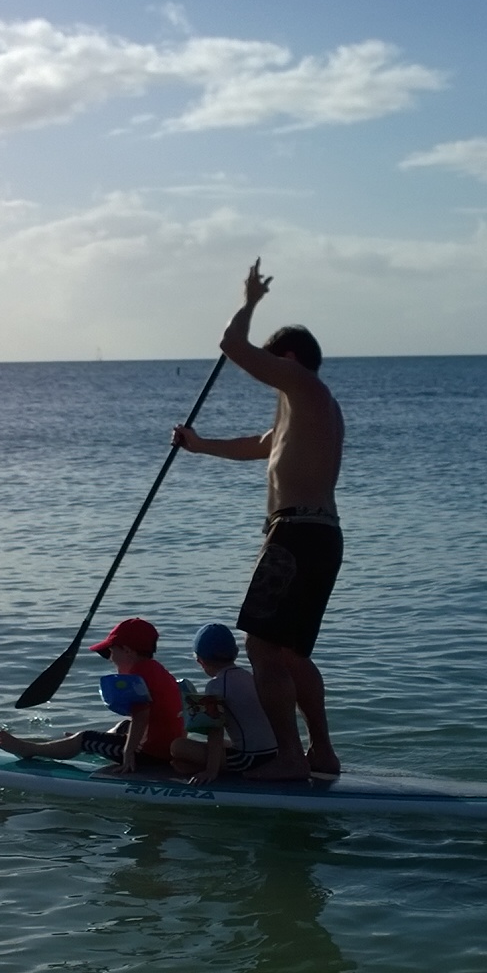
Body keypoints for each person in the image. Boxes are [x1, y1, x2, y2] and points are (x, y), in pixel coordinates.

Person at [172, 260, 347, 779]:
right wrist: (200, 447)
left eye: (274, 365)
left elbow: (232, 345)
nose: (268, 376)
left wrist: (248, 301)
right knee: (290, 654)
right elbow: (260, 446)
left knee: (261, 647)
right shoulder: (310, 408)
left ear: (289, 359)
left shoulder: (301, 385)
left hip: (295, 534)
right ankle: (322, 754)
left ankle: (290, 761)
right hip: (320, 535)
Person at [0, 617, 185, 774]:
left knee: (85, 737)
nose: (110, 659)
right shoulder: (158, 670)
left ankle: (32, 749)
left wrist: (128, 754)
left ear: (127, 651)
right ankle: (81, 744)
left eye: (111, 652)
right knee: (123, 725)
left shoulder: (138, 677)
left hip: (150, 755)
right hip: (167, 748)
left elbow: (141, 716)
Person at [171, 622, 282, 783]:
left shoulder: (216, 685)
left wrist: (211, 771)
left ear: (200, 661)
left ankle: (202, 767)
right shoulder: (247, 676)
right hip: (273, 753)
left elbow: (215, 732)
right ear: (236, 653)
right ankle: (193, 766)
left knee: (178, 746)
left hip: (249, 759)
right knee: (221, 745)